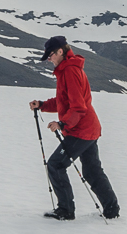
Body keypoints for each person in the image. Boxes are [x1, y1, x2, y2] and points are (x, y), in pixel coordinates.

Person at [28, 35, 120, 221]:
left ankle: (66, 210)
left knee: (56, 164)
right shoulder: (66, 69)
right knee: (92, 170)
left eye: (51, 54)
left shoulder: (69, 71)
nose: (48, 58)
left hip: (81, 130)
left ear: (60, 51)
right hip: (88, 128)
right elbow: (65, 102)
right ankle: (111, 210)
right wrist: (44, 105)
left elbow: (78, 107)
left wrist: (62, 124)